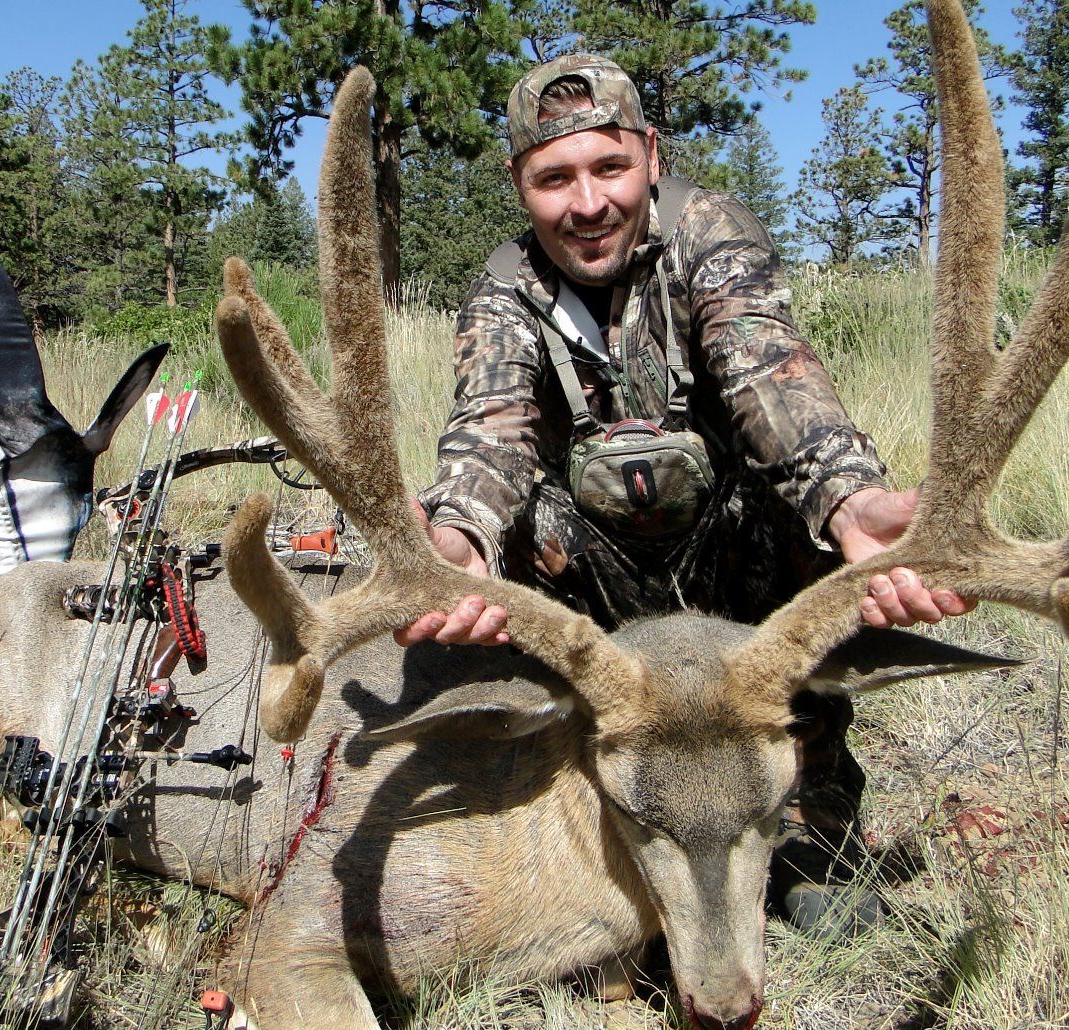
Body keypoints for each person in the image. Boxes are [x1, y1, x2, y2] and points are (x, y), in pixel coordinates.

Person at [398, 55, 972, 932]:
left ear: (651, 158)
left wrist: (851, 503)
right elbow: (491, 431)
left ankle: (811, 824)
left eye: (609, 167)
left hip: (726, 563)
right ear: (522, 186)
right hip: (590, 587)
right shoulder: (504, 290)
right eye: (554, 178)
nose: (586, 204)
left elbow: (767, 378)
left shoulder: (711, 234)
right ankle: (576, 806)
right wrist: (459, 540)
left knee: (794, 516)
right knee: (516, 541)